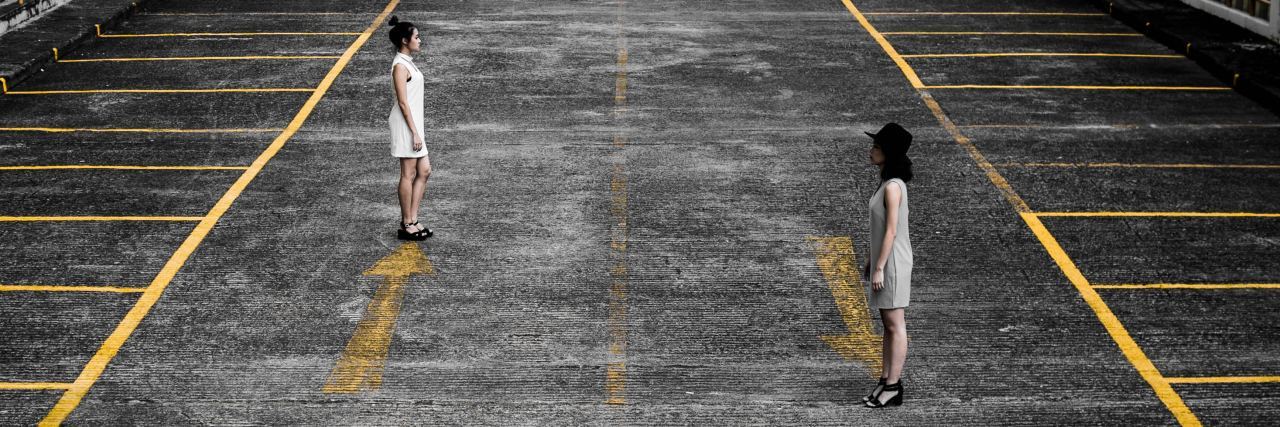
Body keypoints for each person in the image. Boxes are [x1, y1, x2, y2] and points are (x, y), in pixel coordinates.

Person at [861, 123, 914, 408]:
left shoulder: (893, 187)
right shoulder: (885, 182)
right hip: (885, 258)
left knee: (895, 324)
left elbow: (892, 231)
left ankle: (893, 386)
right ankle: (884, 380)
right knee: (887, 324)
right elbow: (881, 230)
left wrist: (880, 266)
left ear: (888, 153)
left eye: (877, 147)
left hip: (893, 262)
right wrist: (871, 260)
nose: (871, 151)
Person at [387, 16, 433, 240]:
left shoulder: (408, 62)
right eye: (416, 37)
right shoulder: (399, 66)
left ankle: (413, 219)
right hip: (406, 125)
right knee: (408, 173)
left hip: (415, 124)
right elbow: (403, 102)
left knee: (424, 171)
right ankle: (406, 224)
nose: (420, 40)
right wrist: (414, 132)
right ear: (405, 41)